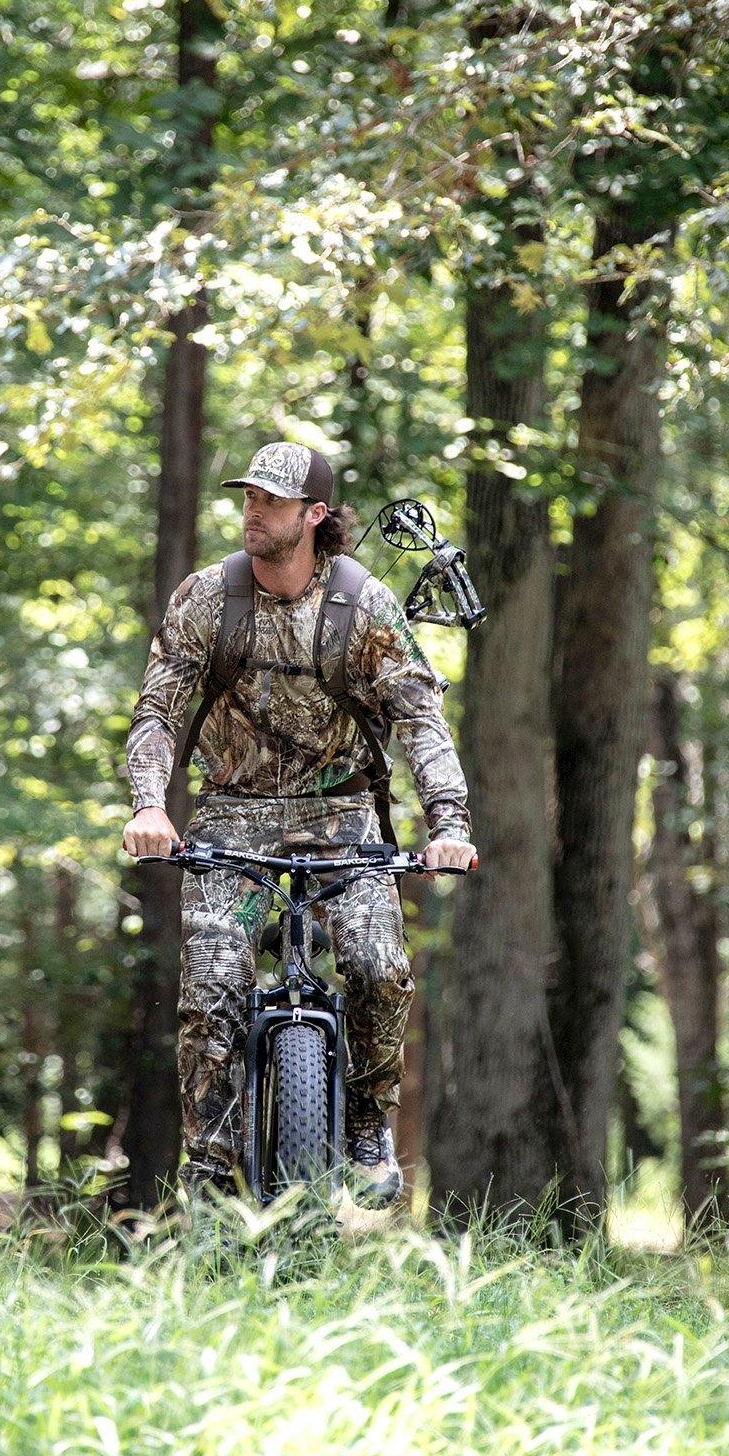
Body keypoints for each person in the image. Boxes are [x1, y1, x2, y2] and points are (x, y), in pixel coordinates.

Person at [121, 441, 476, 1207]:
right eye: (248, 497)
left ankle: (367, 1127)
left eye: (272, 501)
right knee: (211, 990)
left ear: (315, 515)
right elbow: (157, 711)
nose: (254, 512)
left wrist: (449, 819)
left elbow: (420, 716)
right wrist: (151, 802)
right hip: (231, 815)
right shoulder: (206, 599)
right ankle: (210, 1182)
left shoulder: (365, 603)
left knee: (380, 966)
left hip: (342, 813)